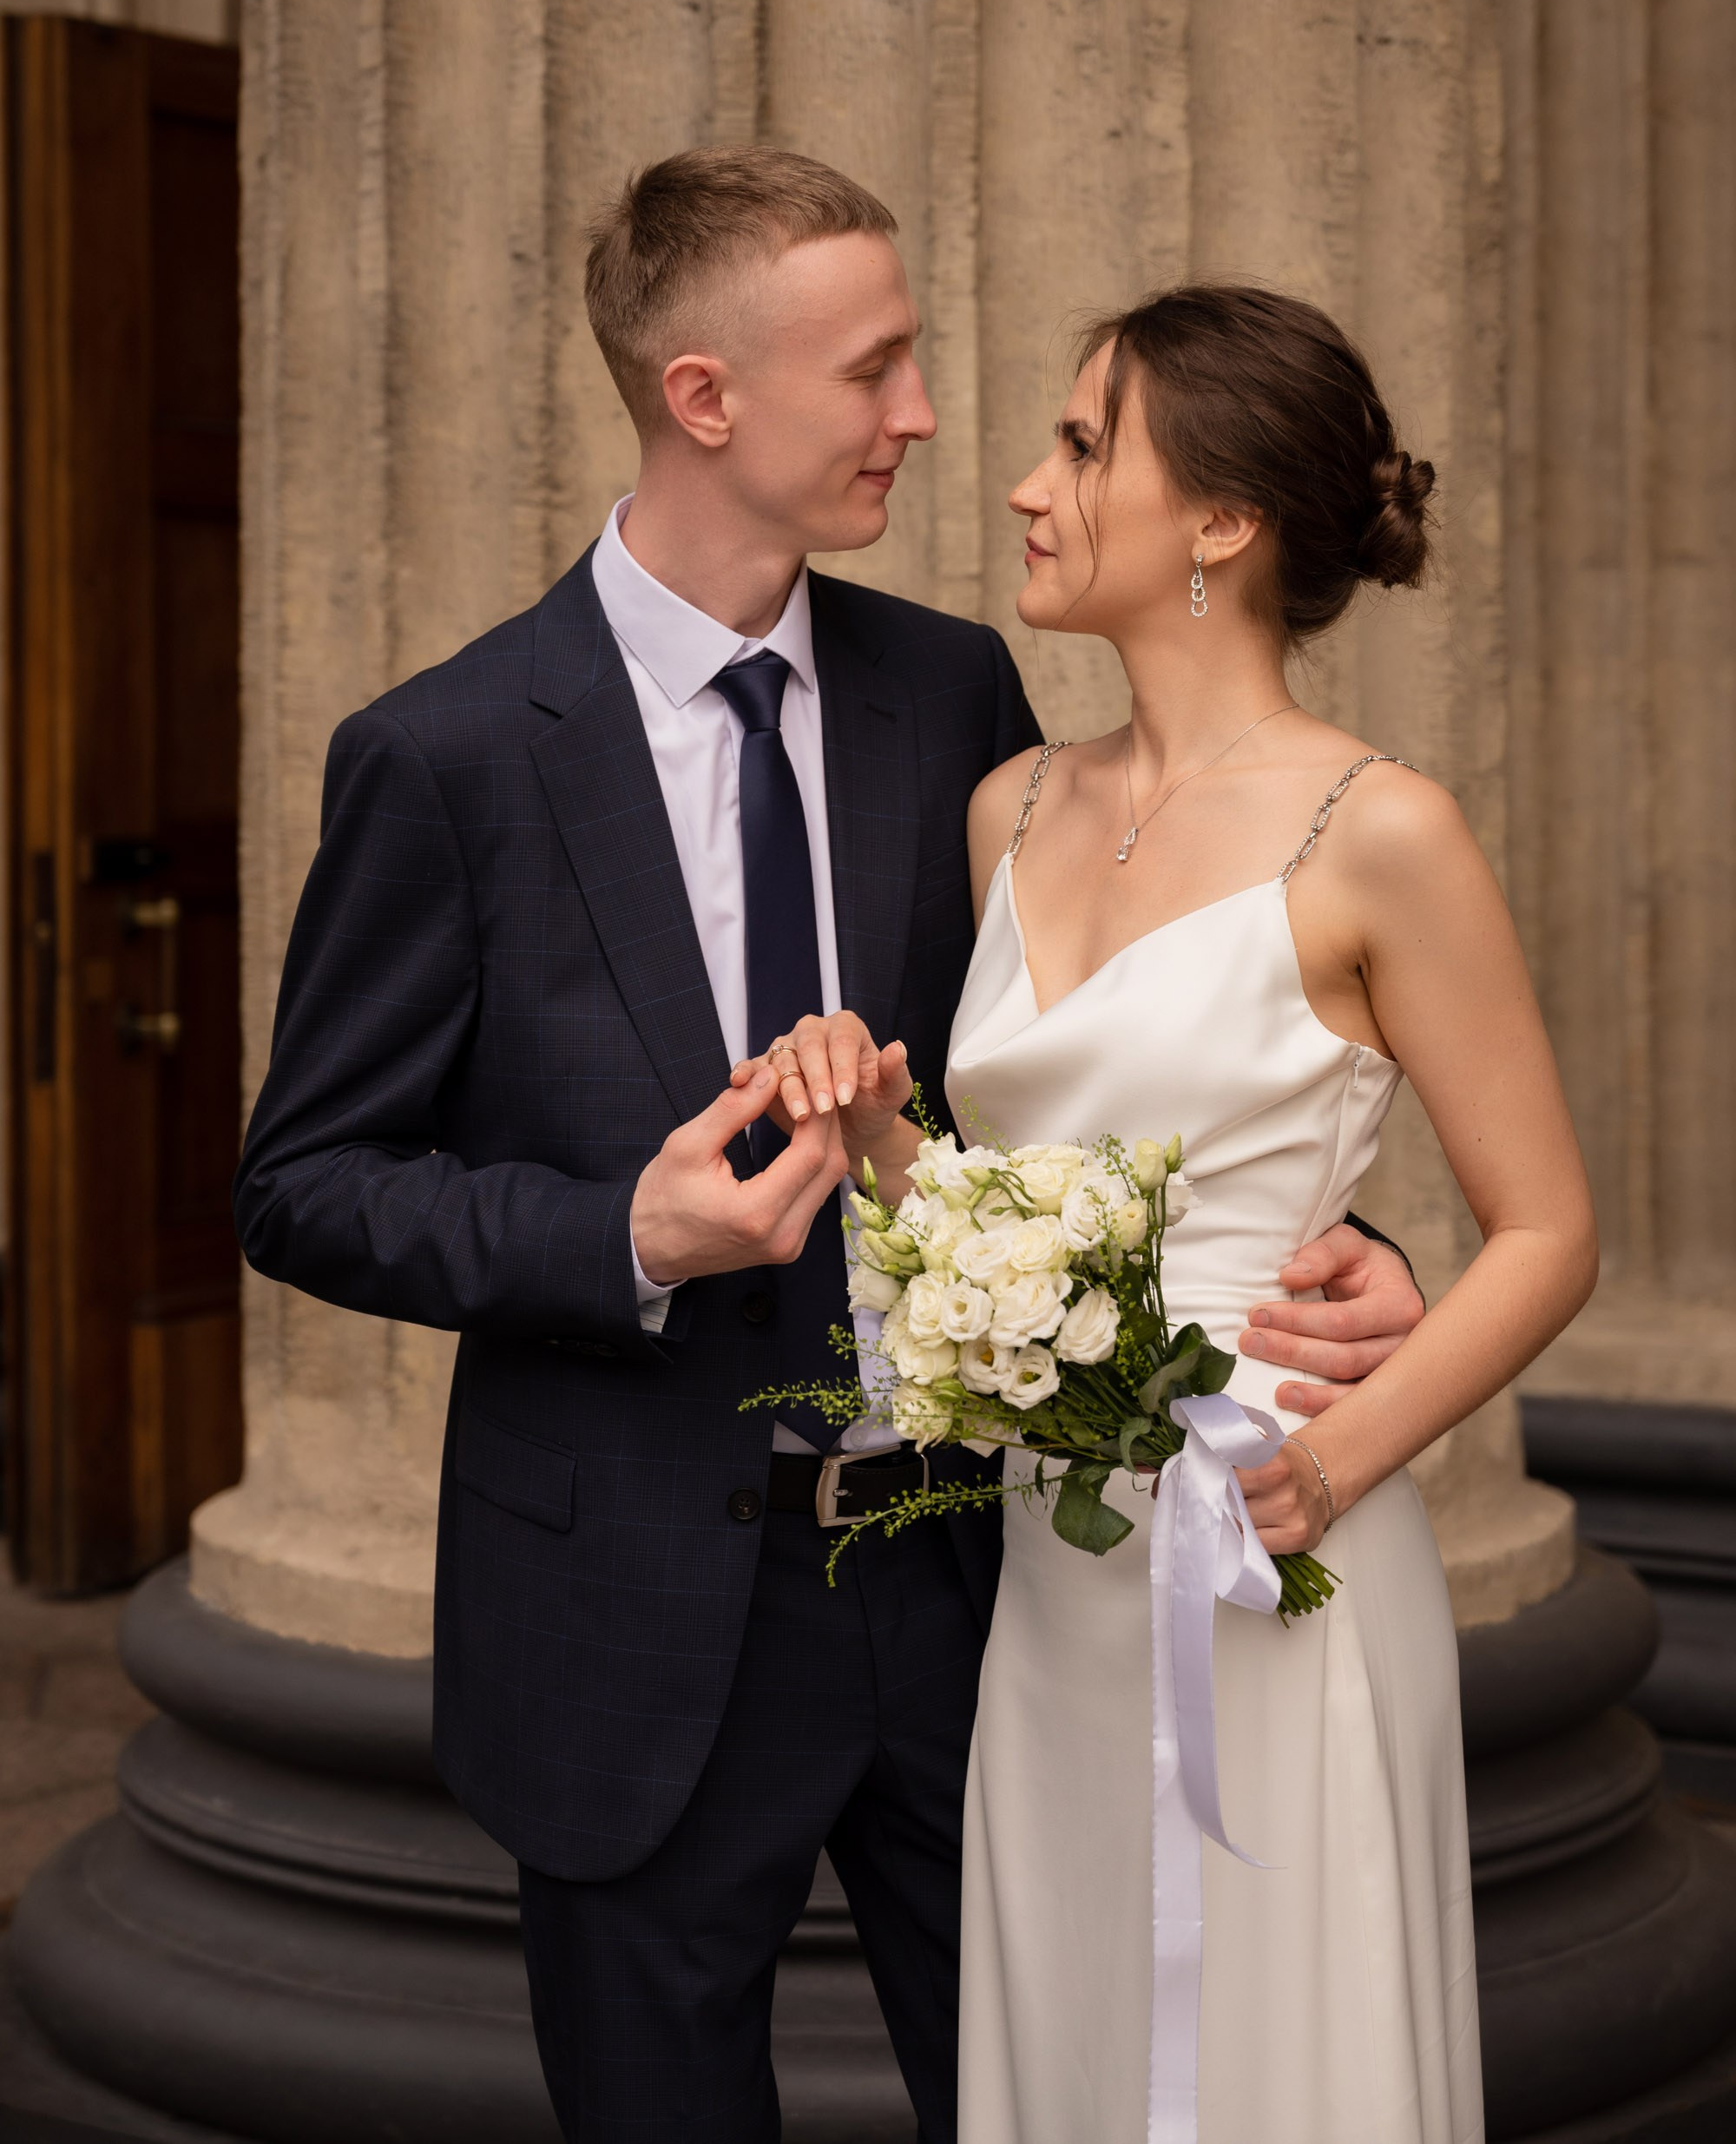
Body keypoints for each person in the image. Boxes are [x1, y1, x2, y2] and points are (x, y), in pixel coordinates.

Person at [233, 157, 1425, 2144]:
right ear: (705, 396)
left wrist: (1329, 1232)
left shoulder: (948, 693)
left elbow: (1076, 1077)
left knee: (1067, 2100)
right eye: (874, 367)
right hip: (628, 1614)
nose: (924, 414)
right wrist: (622, 1233)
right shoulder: (446, 754)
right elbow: (300, 1181)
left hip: (982, 1577)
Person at [773, 284, 1597, 2144]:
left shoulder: (1379, 831)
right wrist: (883, 1136)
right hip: (1050, 1578)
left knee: (1275, 2051)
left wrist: (1335, 1461)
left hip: (1273, 1553)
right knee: (1078, 2039)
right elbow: (994, 1222)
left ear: (1222, 518)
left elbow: (1550, 1231)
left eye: (1082, 445)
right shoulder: (1009, 807)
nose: (1025, 484)